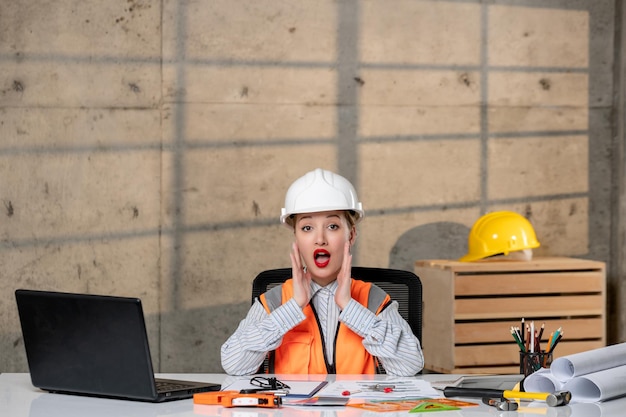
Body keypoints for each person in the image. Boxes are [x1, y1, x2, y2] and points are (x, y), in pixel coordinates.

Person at [221, 168, 424, 376]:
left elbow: (410, 365)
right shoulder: (275, 301)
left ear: (351, 235)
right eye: (307, 228)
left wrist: (350, 306)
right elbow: (234, 365)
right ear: (296, 237)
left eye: (333, 226)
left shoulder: (373, 299)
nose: (320, 239)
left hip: (360, 407)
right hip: (291, 408)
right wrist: (293, 306)